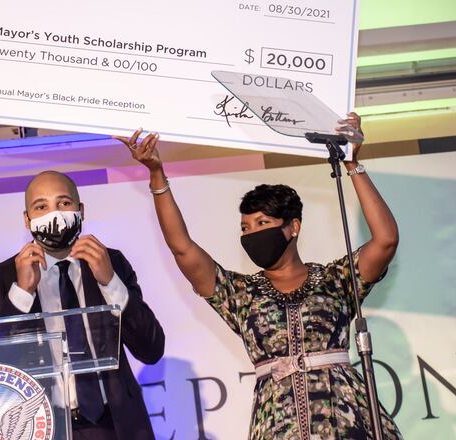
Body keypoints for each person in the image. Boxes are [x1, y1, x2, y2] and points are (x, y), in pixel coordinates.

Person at [114, 113, 403, 439]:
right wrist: (156, 174)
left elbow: (385, 240)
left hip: (348, 422)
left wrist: (351, 162)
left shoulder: (335, 280)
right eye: (245, 228)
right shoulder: (240, 294)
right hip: (277, 426)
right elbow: (182, 249)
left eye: (262, 224)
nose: (251, 234)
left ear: (293, 227)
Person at [0, 170, 165, 440]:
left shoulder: (110, 262)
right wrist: (22, 293)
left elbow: (151, 349)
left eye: (64, 204)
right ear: (27, 219)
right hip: (43, 429)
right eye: (41, 206)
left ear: (80, 210)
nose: (54, 214)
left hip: (116, 426)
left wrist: (111, 283)